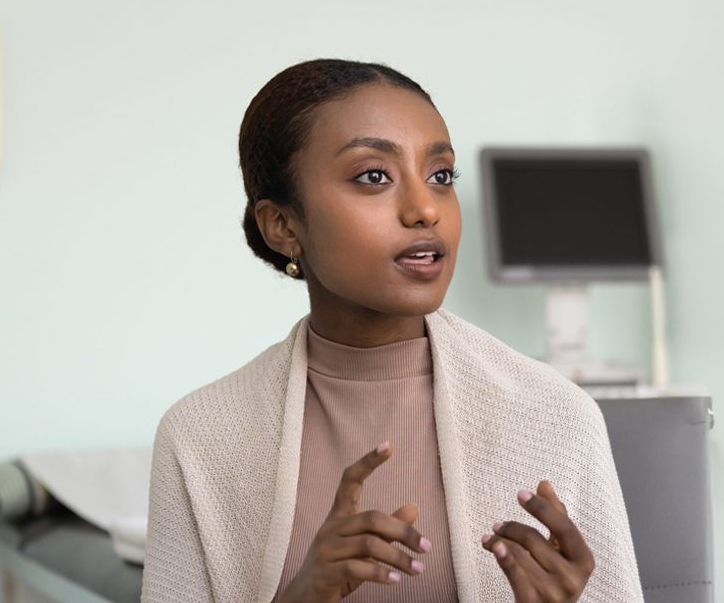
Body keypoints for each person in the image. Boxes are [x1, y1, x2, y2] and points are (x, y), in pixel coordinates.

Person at [141, 60, 642, 602]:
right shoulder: (200, 439)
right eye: (374, 176)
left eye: (441, 176)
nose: (425, 208)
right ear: (283, 225)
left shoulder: (556, 417)